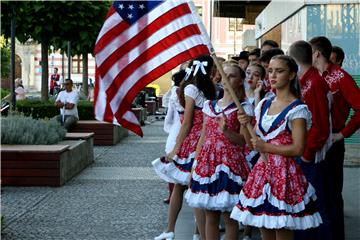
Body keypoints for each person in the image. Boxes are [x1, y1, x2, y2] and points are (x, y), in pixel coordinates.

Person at [231, 55, 322, 240]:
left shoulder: (298, 109)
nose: (273, 76)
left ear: (291, 75)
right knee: (265, 229)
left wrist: (267, 147)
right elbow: (253, 145)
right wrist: (244, 124)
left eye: (279, 71)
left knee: (282, 231)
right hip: (262, 174)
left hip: (284, 176)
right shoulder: (264, 104)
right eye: (270, 71)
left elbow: (298, 149)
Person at [185, 62, 252, 240]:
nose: (227, 79)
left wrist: (226, 131)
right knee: (210, 216)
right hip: (207, 163)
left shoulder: (243, 108)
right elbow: (203, 137)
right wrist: (195, 164)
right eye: (225, 75)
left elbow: (245, 142)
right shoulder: (209, 105)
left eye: (232, 76)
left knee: (229, 217)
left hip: (230, 164)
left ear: (240, 81)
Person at [152, 55, 216, 240]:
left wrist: (176, 149)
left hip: (192, 140)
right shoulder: (210, 88)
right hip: (205, 139)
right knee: (189, 186)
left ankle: (186, 232)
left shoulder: (190, 88)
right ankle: (186, 232)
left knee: (189, 187)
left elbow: (187, 122)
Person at [309, 36, 360, 240]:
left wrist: (343, 134)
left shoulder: (340, 76)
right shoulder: (309, 76)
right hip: (311, 143)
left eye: (309, 51)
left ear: (317, 53)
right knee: (313, 193)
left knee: (331, 196)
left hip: (331, 144)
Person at [289, 40, 333, 240]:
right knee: (305, 206)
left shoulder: (314, 83)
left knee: (316, 207)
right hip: (304, 152)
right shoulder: (306, 80)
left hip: (309, 156)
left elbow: (320, 125)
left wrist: (307, 154)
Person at [162, 70, 186, 204]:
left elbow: (169, 116)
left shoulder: (174, 93)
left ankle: (172, 195)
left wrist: (169, 129)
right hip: (186, 132)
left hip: (176, 130)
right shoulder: (182, 92)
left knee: (173, 166)